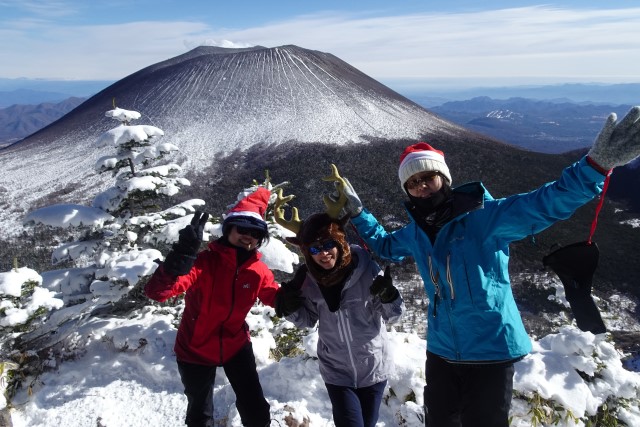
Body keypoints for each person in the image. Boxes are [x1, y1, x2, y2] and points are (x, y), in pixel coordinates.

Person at [327, 106, 640, 427]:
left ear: (443, 178)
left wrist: (595, 167)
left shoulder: (486, 217)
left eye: (428, 177)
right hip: (441, 351)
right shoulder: (417, 232)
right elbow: (385, 247)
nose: (422, 186)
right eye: (413, 182)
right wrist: (358, 213)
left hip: (490, 350)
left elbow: (545, 203)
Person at [145, 187, 293, 427]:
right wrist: (179, 257)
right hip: (195, 347)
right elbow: (157, 292)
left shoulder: (258, 271)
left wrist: (298, 290)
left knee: (256, 409)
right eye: (242, 229)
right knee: (200, 415)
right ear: (229, 229)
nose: (248, 236)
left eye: (255, 233)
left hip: (236, 345)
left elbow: (276, 299)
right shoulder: (203, 263)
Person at [274, 210, 405, 427]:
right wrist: (290, 309)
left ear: (340, 243)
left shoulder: (367, 270)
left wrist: (390, 297)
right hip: (336, 372)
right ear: (307, 252)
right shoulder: (309, 281)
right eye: (315, 249)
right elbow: (307, 320)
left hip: (373, 368)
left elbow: (394, 316)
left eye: (328, 245)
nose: (323, 253)